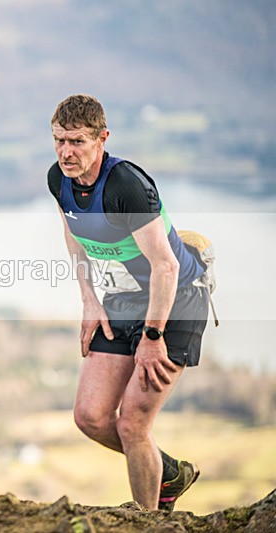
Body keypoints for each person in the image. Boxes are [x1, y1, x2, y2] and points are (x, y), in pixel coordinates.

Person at [47, 94, 210, 511]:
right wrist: (89, 302)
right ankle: (168, 474)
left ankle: (147, 518)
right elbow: (74, 236)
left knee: (133, 423)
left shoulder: (126, 186)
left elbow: (166, 267)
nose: (67, 152)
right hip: (120, 301)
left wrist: (153, 336)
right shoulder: (58, 178)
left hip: (176, 303)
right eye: (59, 140)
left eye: (78, 141)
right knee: (91, 417)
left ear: (102, 138)